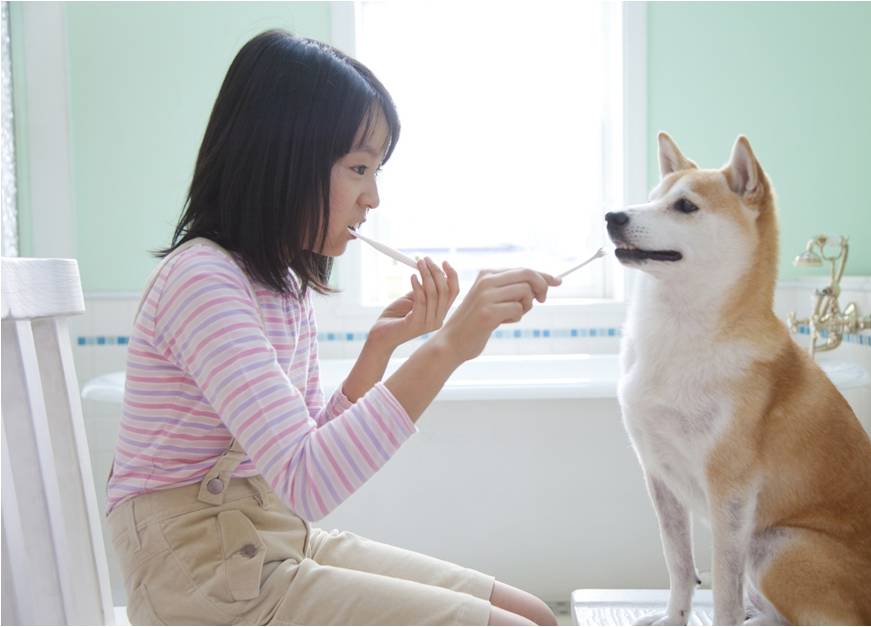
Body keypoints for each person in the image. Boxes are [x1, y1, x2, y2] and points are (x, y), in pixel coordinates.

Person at [106, 29, 560, 626]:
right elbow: (309, 481)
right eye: (359, 168)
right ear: (283, 159)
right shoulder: (202, 282)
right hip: (201, 573)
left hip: (267, 536)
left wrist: (379, 351)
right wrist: (448, 348)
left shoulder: (282, 286)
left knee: (530, 613)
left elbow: (297, 453)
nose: (372, 197)